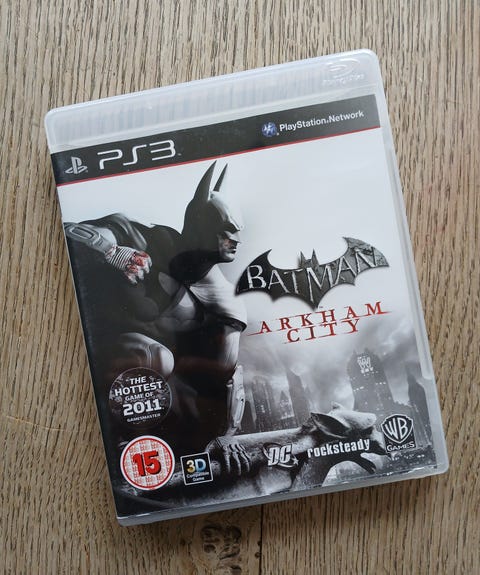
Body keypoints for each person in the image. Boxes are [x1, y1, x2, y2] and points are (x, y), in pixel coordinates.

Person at [65, 163, 250, 470]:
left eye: (237, 232)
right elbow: (69, 231)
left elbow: (226, 378)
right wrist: (110, 251)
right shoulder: (148, 239)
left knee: (159, 359)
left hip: (146, 391)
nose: (236, 240)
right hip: (86, 347)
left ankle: (134, 444)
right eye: (226, 232)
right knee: (154, 356)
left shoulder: (224, 303)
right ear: (201, 225)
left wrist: (226, 435)